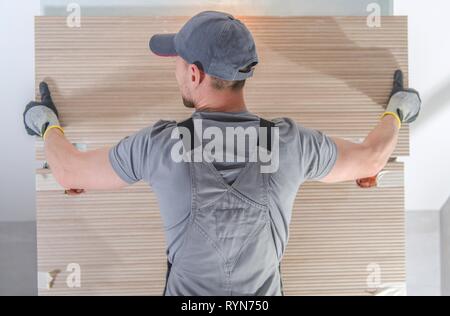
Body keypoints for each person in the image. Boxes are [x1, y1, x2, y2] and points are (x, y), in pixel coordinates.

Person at [23, 11, 421, 295]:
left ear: (195, 74)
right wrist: (397, 111)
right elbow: (371, 157)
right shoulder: (289, 144)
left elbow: (68, 170)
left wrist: (46, 124)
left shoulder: (159, 145)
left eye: (178, 64)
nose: (176, 71)